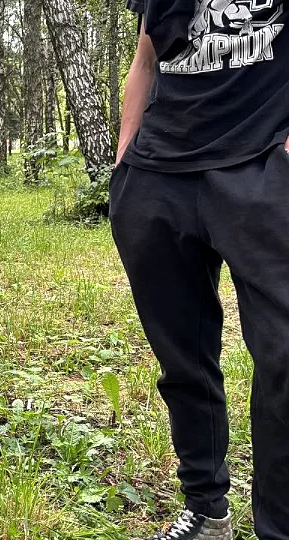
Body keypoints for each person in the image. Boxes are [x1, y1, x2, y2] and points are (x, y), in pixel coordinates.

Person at [110, 0, 289, 538]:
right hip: (159, 172)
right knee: (183, 358)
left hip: (261, 161)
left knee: (284, 355)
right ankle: (207, 511)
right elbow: (145, 60)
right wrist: (125, 163)